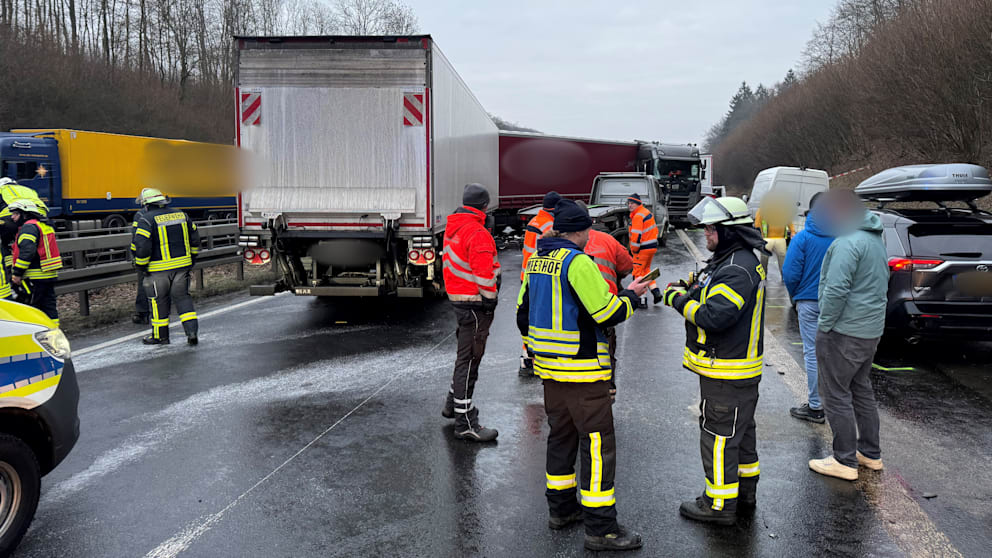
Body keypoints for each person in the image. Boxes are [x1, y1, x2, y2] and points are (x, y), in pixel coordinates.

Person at [517, 199, 649, 551]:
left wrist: (540, 350)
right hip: (584, 372)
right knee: (596, 446)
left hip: (549, 371)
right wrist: (632, 297)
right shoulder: (578, 263)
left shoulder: (535, 262)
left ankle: (561, 510)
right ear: (582, 231)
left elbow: (521, 313)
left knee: (561, 437)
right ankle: (601, 529)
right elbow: (605, 313)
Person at [662, 196, 768, 526]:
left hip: (727, 370)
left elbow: (715, 316)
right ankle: (744, 493)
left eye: (711, 228)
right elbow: (711, 290)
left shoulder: (736, 268)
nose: (705, 233)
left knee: (719, 437)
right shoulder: (731, 260)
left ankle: (719, 505)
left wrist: (678, 300)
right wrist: (691, 287)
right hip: (734, 370)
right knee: (741, 433)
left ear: (729, 232)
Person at [808, 189, 889, 481]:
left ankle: (844, 460)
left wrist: (825, 325)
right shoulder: (874, 239)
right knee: (861, 390)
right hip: (869, 331)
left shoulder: (847, 243)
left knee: (836, 394)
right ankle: (870, 453)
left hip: (843, 332)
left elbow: (836, 289)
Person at [440, 183, 501, 442]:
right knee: (469, 361)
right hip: (476, 304)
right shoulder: (477, 232)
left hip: (460, 300)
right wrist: (491, 300)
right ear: (484, 206)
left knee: (464, 356)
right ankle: (465, 423)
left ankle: (452, 405)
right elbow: (484, 273)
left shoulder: (454, 227)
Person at [783, 194, 833, 423]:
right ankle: (835, 404)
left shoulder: (802, 238)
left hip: (809, 301)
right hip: (836, 303)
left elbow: (790, 274)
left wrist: (796, 296)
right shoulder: (843, 237)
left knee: (812, 353)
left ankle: (815, 406)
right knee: (834, 353)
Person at [132, 188, 200, 345]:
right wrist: (192, 258)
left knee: (158, 303)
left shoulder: (146, 220)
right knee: (183, 299)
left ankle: (161, 337)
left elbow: (142, 246)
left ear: (147, 205)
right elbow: (195, 237)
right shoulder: (181, 215)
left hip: (158, 270)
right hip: (182, 267)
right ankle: (191, 333)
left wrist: (141, 266)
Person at [582, 220, 634, 400]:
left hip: (574, 309)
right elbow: (627, 265)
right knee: (606, 347)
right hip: (606, 305)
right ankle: (608, 389)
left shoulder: (563, 243)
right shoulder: (608, 241)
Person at [519, 191, 560, 377]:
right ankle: (536, 357)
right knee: (540, 319)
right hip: (539, 275)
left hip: (526, 275)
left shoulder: (535, 221)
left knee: (528, 318)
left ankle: (526, 356)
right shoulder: (550, 225)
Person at [8, 198, 63, 325]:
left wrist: (17, 273)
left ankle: (34, 335)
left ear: (25, 214)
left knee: (33, 308)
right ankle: (53, 331)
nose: (12, 217)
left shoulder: (28, 227)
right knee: (49, 306)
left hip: (35, 276)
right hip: (48, 274)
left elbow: (27, 252)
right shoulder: (43, 225)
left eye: (16, 214)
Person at [627, 193, 662, 304]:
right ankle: (656, 292)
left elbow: (636, 236)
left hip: (642, 249)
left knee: (637, 274)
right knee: (646, 272)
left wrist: (634, 250)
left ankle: (642, 300)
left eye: (632, 203)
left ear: (638, 203)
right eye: (628, 203)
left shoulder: (638, 216)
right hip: (651, 247)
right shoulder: (646, 213)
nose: (630, 205)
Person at [753, 196, 796, 278]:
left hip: (777, 239)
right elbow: (757, 223)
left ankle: (782, 276)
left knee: (779, 257)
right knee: (768, 257)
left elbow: (789, 222)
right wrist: (761, 235)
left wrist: (792, 231)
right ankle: (766, 274)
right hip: (768, 238)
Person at [130, 203, 151, 324]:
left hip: (145, 255)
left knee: (144, 283)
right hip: (163, 257)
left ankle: (142, 313)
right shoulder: (165, 214)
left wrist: (135, 256)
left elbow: (136, 239)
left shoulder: (140, 215)